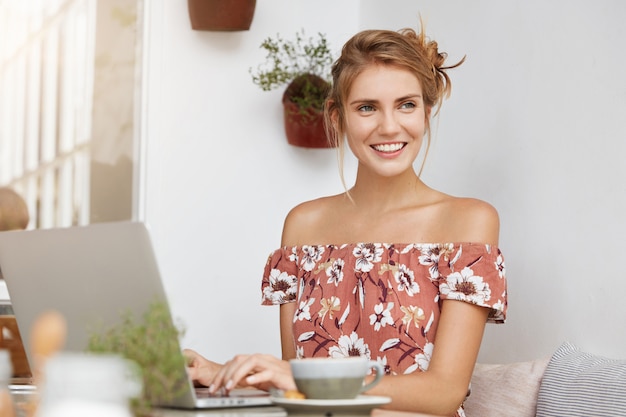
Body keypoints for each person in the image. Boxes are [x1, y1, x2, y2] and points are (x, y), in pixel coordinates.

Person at [185, 23, 507, 417]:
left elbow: (445, 393)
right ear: (337, 117)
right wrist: (225, 374)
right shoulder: (304, 225)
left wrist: (298, 380)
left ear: (426, 110)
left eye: (406, 104)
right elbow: (300, 388)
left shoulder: (468, 222)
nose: (390, 127)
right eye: (367, 107)